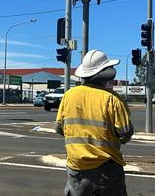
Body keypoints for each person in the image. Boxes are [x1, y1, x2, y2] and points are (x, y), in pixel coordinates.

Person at [54, 49, 133, 196]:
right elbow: (125, 134)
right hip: (108, 169)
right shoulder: (113, 99)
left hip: (77, 168)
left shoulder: (68, 96)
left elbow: (59, 128)